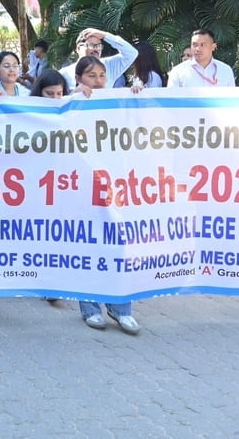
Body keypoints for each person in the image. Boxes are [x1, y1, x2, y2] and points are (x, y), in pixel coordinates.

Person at [71, 56, 141, 334]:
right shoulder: (69, 103)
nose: (98, 81)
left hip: (115, 185)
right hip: (80, 186)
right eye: (91, 75)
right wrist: (72, 101)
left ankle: (121, 307)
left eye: (102, 75)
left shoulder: (118, 101)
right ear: (79, 79)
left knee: (119, 245)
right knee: (87, 247)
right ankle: (90, 308)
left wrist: (137, 98)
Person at [59, 28, 137, 91]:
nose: (96, 49)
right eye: (92, 45)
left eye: (99, 46)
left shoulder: (109, 65)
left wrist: (105, 35)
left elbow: (132, 53)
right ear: (79, 48)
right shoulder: (65, 73)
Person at [166, 29, 236, 87]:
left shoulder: (225, 70)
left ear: (213, 47)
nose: (198, 49)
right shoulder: (178, 71)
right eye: (194, 45)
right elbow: (171, 100)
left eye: (202, 45)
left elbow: (231, 100)